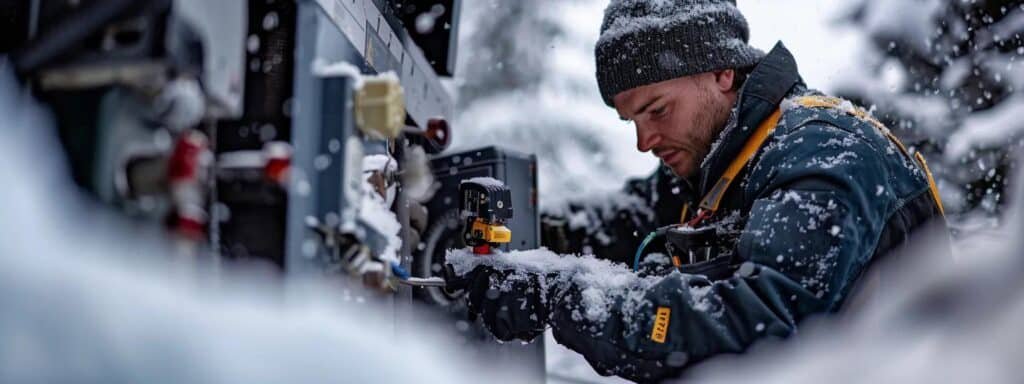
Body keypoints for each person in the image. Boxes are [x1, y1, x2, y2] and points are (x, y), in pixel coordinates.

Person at [455, 0, 949, 381]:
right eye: (630, 121)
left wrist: (557, 295)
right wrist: (531, 233)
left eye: (657, 110)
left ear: (721, 72)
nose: (644, 141)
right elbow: (624, 219)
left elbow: (758, 327)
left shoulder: (822, 155)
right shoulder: (724, 162)